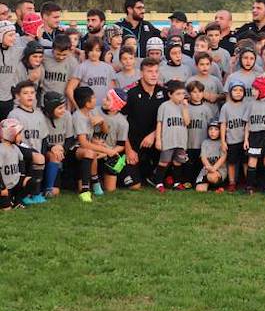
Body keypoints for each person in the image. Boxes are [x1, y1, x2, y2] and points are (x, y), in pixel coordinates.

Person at [118, 58, 167, 190]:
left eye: (156, 71)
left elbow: (168, 120)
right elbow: (120, 123)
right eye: (149, 71)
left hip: (155, 143)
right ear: (141, 73)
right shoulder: (130, 93)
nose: (153, 75)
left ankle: (156, 175)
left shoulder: (164, 93)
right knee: (135, 185)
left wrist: (153, 135)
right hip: (133, 145)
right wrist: (128, 149)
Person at [243, 76, 265, 194]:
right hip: (254, 136)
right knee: (252, 161)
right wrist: (246, 140)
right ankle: (249, 186)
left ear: (262, 90)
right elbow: (247, 123)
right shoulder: (250, 104)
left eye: (255, 89)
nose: (252, 91)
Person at [154, 80, 191, 193]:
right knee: (164, 162)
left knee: (178, 162)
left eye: (182, 94)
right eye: (178, 94)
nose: (181, 97)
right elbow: (159, 123)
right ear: (170, 94)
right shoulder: (164, 106)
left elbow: (187, 122)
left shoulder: (184, 106)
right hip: (168, 139)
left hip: (180, 140)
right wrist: (158, 140)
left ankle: (177, 183)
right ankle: (159, 183)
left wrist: (185, 108)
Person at [66, 36, 116, 111]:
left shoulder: (108, 68)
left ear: (101, 52)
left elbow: (112, 91)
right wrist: (77, 107)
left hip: (104, 110)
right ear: (87, 51)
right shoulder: (82, 67)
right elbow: (69, 89)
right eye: (91, 50)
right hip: (87, 110)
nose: (94, 53)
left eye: (97, 50)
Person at [0, 118, 41, 209]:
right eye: (18, 134)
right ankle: (10, 201)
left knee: (32, 182)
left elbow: (21, 161)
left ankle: (17, 200)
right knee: (7, 209)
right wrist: (2, 188)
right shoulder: (1, 150)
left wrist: (22, 176)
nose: (21, 136)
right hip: (5, 187)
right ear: (10, 134)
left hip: (15, 183)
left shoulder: (16, 148)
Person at [195, 120, 226, 192]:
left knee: (212, 177)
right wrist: (209, 167)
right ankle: (211, 188)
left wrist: (213, 169)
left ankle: (219, 186)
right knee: (199, 189)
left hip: (218, 170)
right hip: (207, 169)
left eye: (216, 129)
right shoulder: (205, 142)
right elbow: (203, 157)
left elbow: (223, 158)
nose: (212, 131)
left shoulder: (222, 142)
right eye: (210, 129)